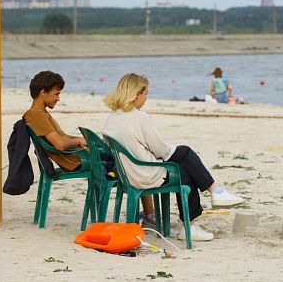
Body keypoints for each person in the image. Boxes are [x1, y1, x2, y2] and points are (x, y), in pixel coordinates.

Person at [102, 73, 244, 241]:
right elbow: (160, 150)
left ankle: (215, 194)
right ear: (136, 94)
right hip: (145, 174)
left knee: (184, 159)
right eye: (145, 93)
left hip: (128, 174)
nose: (146, 98)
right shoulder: (139, 117)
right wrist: (171, 150)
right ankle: (193, 221)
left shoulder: (112, 118)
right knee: (186, 160)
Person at [23, 71, 87, 172]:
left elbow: (63, 137)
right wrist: (79, 141)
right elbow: (60, 144)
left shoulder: (41, 113)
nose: (58, 99)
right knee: (117, 162)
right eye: (56, 94)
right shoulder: (36, 115)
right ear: (43, 92)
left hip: (79, 158)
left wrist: (83, 139)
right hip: (78, 162)